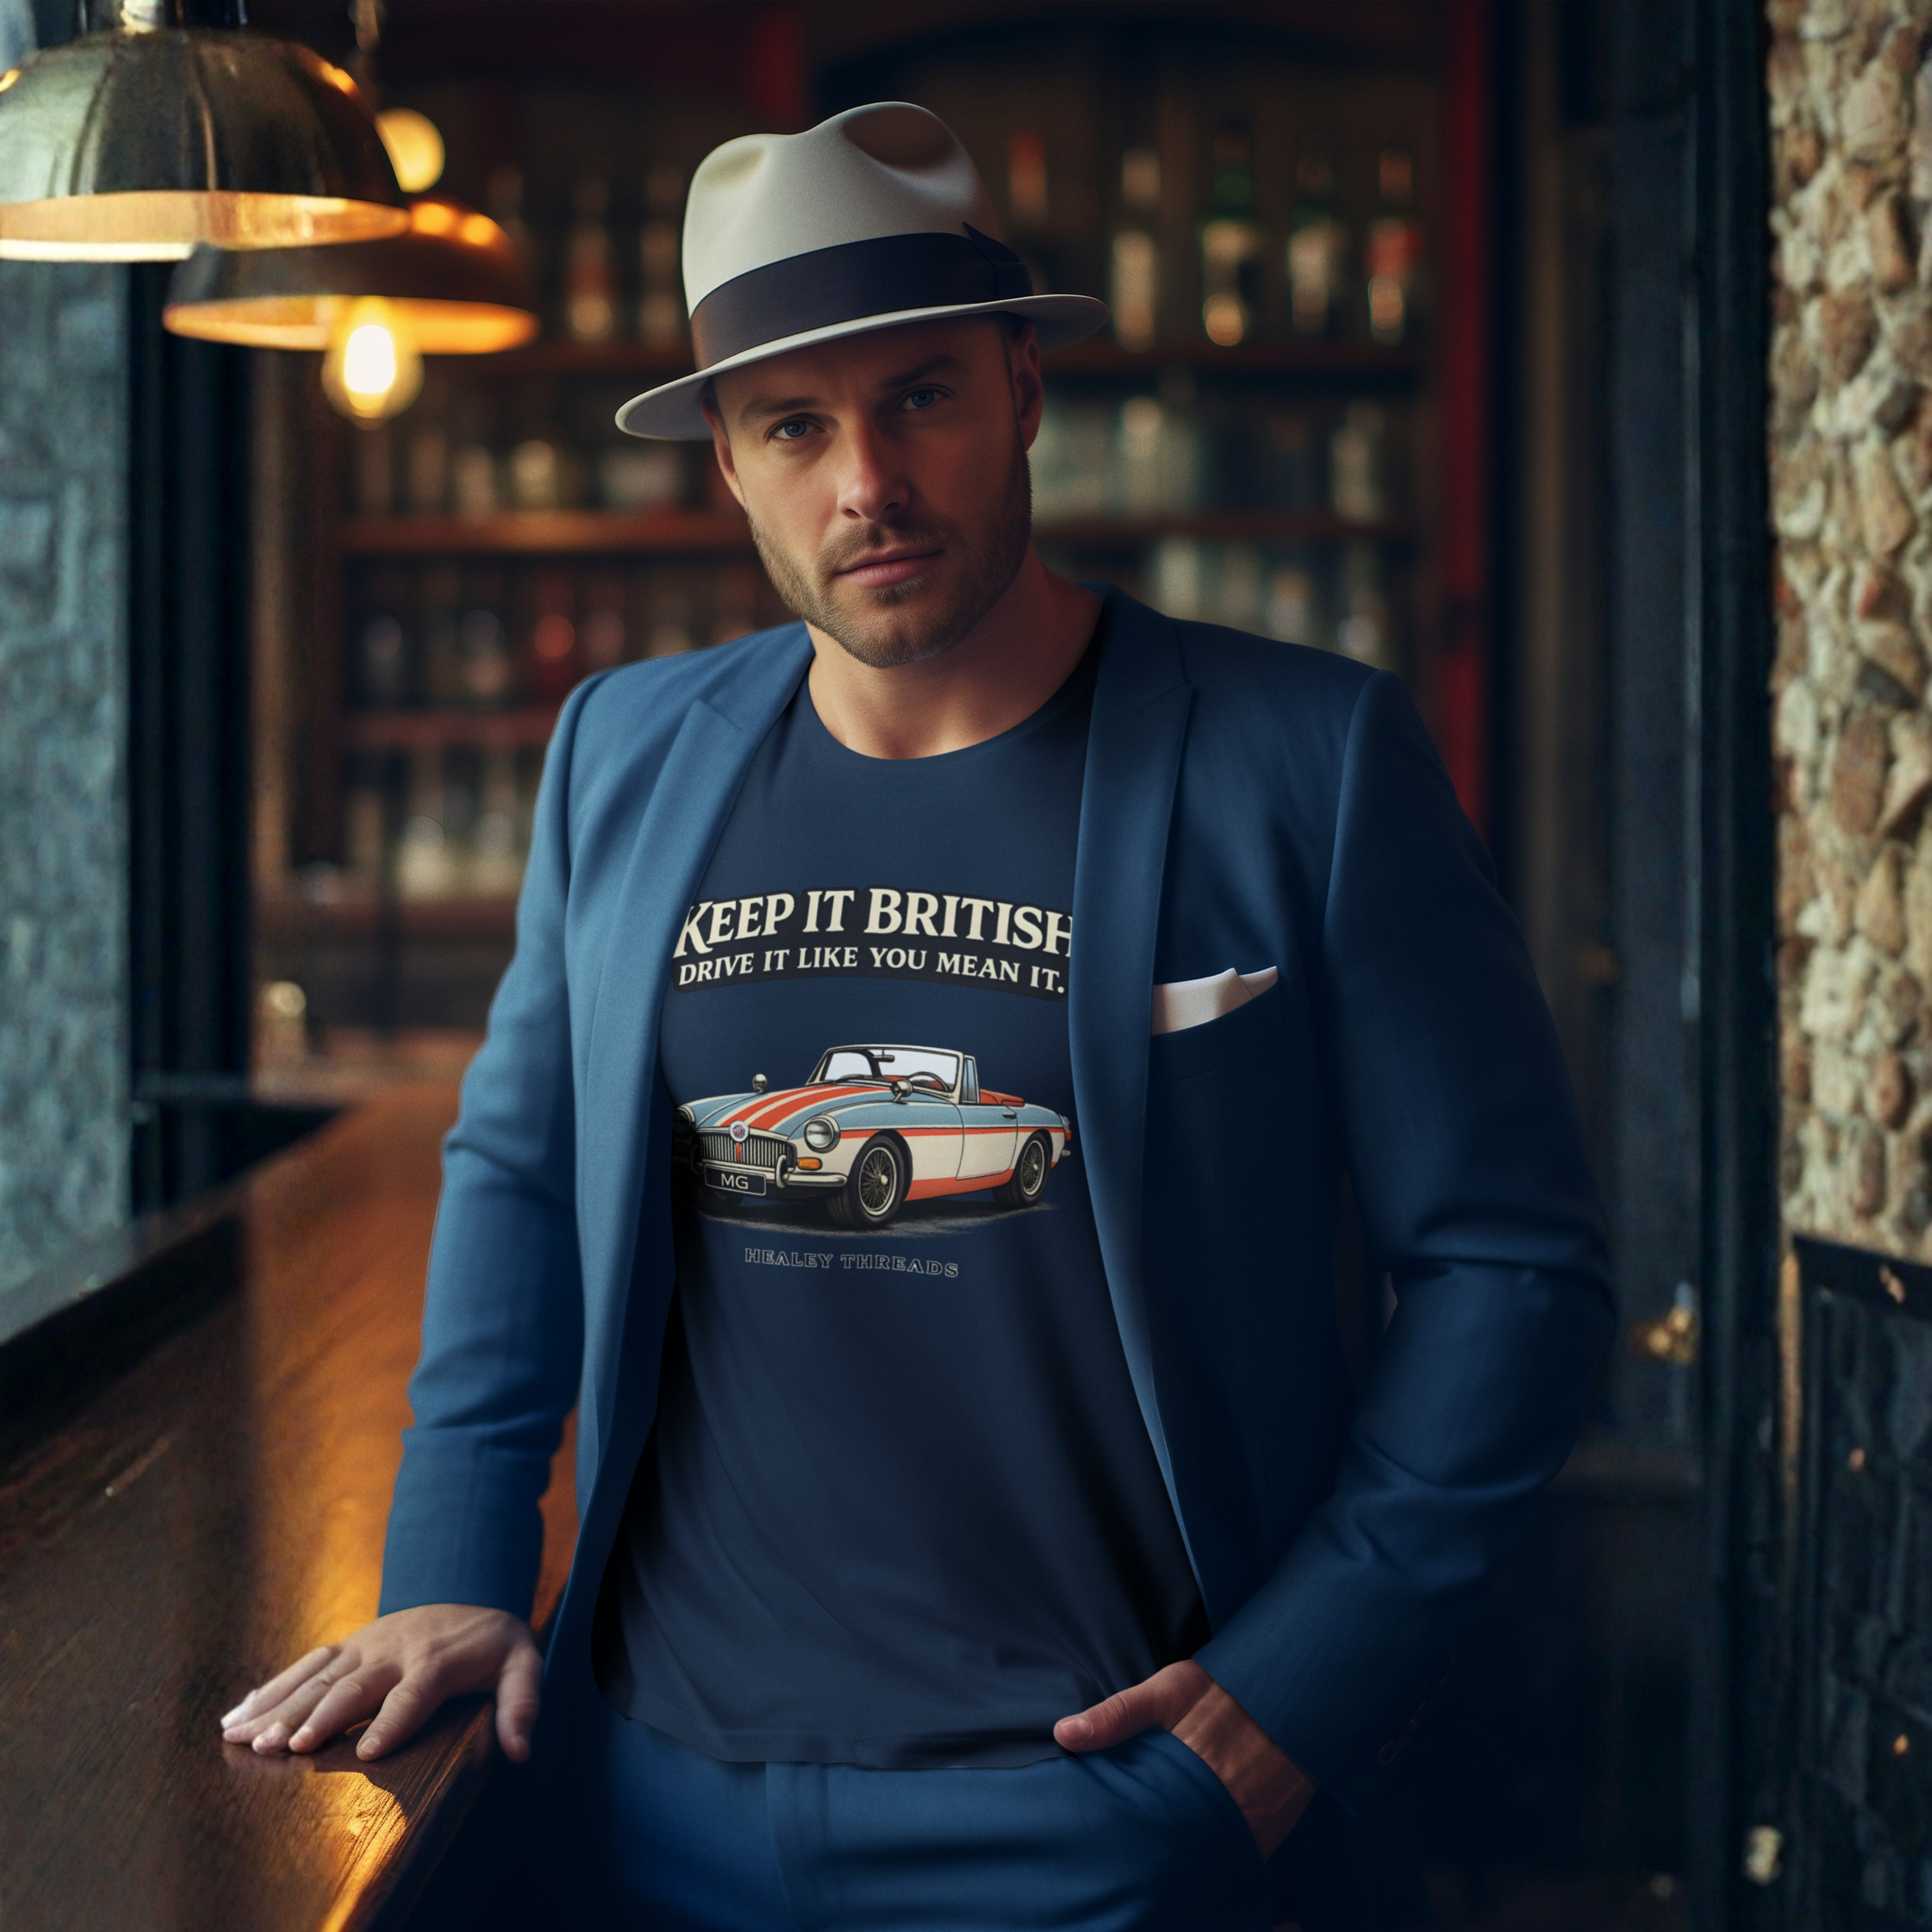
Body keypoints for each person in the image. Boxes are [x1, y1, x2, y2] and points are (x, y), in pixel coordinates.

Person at [219, 103, 1610, 1931]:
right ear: (731, 464)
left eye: (921, 395)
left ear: (1023, 389)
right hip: (649, 1796)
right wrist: (453, 1562)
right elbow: (521, 1169)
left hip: (1108, 1816)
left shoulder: (1305, 757)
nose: (865, 478)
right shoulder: (625, 754)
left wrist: (1296, 1697)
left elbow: (1512, 1268)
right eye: (794, 424)